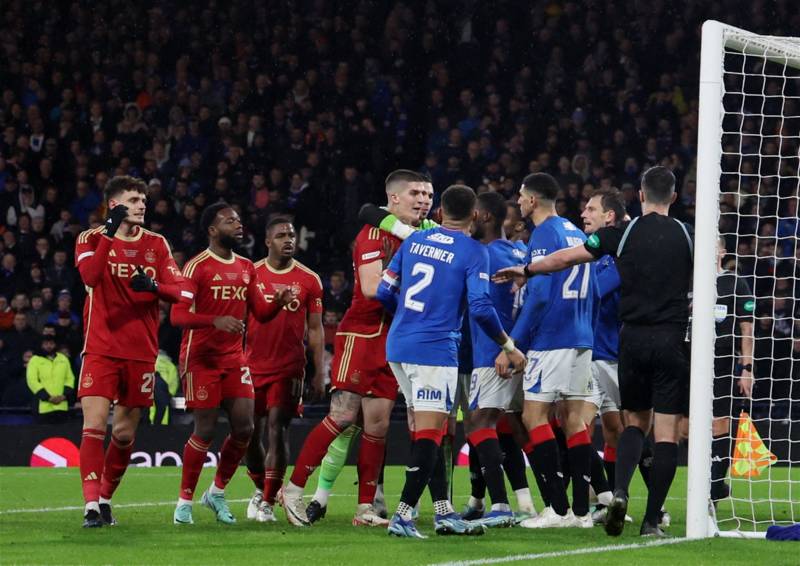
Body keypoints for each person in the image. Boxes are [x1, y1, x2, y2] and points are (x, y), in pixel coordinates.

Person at [494, 166, 693, 537]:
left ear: (640, 194)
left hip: (630, 339)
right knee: (663, 433)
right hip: (670, 337)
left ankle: (615, 493)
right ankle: (652, 520)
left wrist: (527, 268)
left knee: (630, 424)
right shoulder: (686, 235)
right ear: (675, 198)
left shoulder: (620, 234)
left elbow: (565, 260)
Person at [281, 170, 431, 528]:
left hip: (393, 338)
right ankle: (293, 489)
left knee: (377, 425)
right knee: (344, 415)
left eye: (428, 194)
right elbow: (369, 286)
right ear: (393, 199)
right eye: (415, 193)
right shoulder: (373, 233)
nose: (424, 200)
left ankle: (365, 508)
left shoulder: (423, 234)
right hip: (362, 333)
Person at [377, 184, 526, 539]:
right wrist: (508, 345)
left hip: (398, 346)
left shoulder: (413, 242)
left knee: (431, 429)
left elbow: (384, 290)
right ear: (474, 215)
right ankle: (403, 515)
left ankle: (443, 512)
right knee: (431, 434)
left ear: (439, 212)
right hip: (434, 350)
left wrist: (410, 320)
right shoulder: (475, 252)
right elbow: (480, 307)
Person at [74, 175, 191, 528]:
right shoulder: (90, 239)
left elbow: (184, 292)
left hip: (140, 352)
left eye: (143, 199)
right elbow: (91, 277)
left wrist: (155, 286)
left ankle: (106, 498)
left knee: (124, 435)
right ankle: (91, 506)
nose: (143, 204)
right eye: (134, 199)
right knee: (94, 426)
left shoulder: (156, 245)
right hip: (100, 347)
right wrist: (108, 234)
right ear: (115, 205)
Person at [170, 202, 293, 525]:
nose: (238, 225)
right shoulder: (197, 266)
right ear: (212, 230)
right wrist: (215, 321)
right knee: (206, 429)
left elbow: (260, 313)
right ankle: (184, 503)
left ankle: (216, 492)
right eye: (229, 221)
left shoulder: (245, 267)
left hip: (233, 359)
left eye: (239, 219)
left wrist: (277, 304)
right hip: (200, 359)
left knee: (245, 428)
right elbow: (177, 315)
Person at [495, 173, 597, 530]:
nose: (519, 201)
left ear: (533, 201)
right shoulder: (575, 232)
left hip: (553, 338)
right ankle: (583, 513)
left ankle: (556, 508)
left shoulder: (544, 234)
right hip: (582, 337)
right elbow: (594, 287)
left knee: (533, 417)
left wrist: (513, 345)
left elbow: (539, 296)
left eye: (521, 195)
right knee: (573, 419)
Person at [243, 217, 325, 523]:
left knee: (278, 429)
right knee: (248, 433)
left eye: (291, 235)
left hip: (289, 367)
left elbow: (315, 330)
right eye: (280, 235)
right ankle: (261, 487)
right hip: (251, 366)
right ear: (268, 241)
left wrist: (319, 371)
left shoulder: (309, 279)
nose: (288, 239)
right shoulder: (251, 273)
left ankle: (266, 502)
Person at [463, 191, 532, 528]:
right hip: (521, 349)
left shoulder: (486, 254)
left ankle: (501, 505)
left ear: (485, 217)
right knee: (518, 427)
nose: (469, 220)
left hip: (494, 353)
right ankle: (533, 501)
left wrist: (505, 347)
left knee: (479, 424)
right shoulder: (520, 251)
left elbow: (483, 308)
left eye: (473, 214)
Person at [578, 189, 627, 523]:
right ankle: (591, 502)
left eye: (591, 209)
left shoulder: (616, 259)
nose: (584, 213)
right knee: (578, 425)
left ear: (609, 217)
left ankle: (612, 499)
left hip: (613, 355)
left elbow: (593, 291)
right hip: (589, 354)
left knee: (617, 431)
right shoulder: (590, 256)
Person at [710, 236, 755, 502]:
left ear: (723, 251)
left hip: (724, 362)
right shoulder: (686, 281)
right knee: (681, 427)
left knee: (721, 423)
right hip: (686, 361)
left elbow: (747, 329)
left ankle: (714, 488)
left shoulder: (735, 283)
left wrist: (747, 368)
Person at [26, 333, 75, 423]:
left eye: (51, 343)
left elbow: (70, 379)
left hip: (62, 405)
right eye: (46, 344)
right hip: (43, 407)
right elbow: (32, 381)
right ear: (41, 345)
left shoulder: (63, 359)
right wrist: (47, 397)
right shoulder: (35, 360)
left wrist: (64, 395)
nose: (49, 346)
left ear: (55, 344)